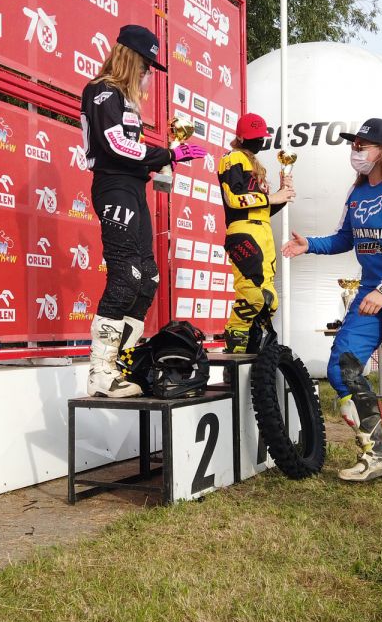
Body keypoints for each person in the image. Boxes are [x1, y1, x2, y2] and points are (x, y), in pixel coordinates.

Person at [282, 118, 382, 492]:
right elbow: (344, 239)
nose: (354, 151)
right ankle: (379, 456)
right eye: (352, 145)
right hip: (372, 292)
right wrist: (310, 245)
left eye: (361, 145)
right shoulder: (356, 194)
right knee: (343, 369)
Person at [81, 24, 207, 397]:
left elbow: (131, 148)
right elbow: (116, 145)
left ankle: (119, 363)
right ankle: (100, 371)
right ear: (130, 58)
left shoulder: (125, 99)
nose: (147, 73)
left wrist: (165, 160)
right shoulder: (102, 91)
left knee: (147, 277)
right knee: (126, 275)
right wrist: (168, 153)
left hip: (134, 188)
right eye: (146, 65)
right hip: (113, 186)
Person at [218, 113, 295, 352]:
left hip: (263, 231)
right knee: (252, 295)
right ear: (241, 137)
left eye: (262, 137)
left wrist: (283, 193)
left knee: (269, 299)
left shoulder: (255, 164)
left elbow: (264, 209)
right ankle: (236, 341)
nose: (260, 141)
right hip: (243, 231)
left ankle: (256, 345)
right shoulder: (232, 157)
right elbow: (234, 198)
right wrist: (272, 197)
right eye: (255, 137)